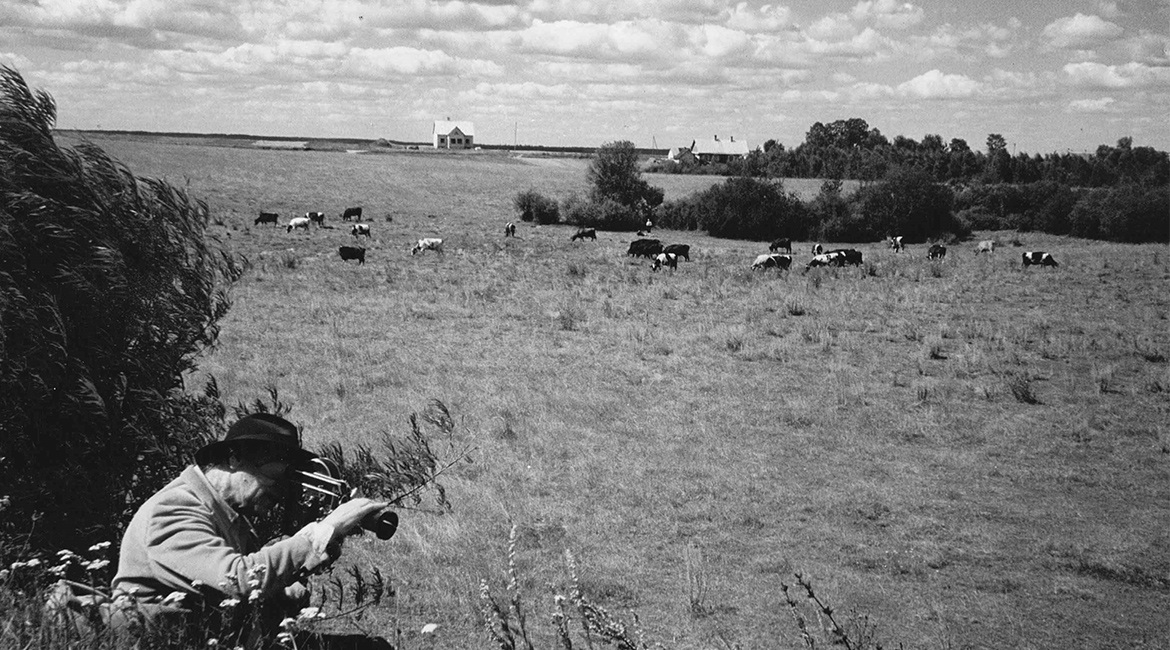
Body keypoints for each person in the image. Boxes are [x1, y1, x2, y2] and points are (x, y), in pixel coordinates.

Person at [109, 413, 390, 646]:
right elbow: (237, 582)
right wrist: (320, 532)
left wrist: (293, 578)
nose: (280, 492)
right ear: (233, 458)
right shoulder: (174, 507)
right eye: (274, 477)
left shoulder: (227, 514)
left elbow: (245, 597)